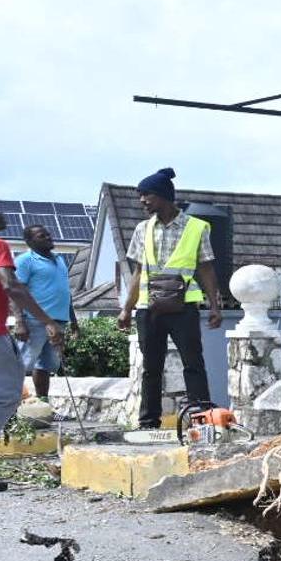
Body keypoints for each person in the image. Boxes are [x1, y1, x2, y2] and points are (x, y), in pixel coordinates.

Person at [117, 168, 223, 429]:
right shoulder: (143, 229)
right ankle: (148, 423)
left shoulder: (197, 228)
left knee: (193, 364)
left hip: (184, 307)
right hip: (148, 308)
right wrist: (126, 309)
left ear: (164, 196)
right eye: (140, 196)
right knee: (151, 368)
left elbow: (206, 268)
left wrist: (214, 306)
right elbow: (138, 272)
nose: (142, 201)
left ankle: (202, 419)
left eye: (147, 195)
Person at [0, 211, 61, 433]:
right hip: (0, 333)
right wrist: (46, 320)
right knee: (9, 394)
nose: (3, 214)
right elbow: (12, 286)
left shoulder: (58, 260)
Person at [12, 225, 75, 401]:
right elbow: (17, 292)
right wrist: (19, 322)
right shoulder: (25, 260)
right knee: (21, 365)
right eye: (42, 236)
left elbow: (64, 292)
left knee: (46, 365)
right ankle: (12, 412)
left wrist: (74, 321)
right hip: (33, 321)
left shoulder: (60, 260)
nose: (48, 237)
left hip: (58, 322)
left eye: (48, 234)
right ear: (30, 242)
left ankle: (42, 407)